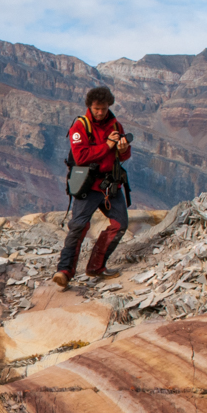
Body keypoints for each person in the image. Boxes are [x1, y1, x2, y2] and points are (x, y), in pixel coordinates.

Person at [52, 86, 132, 290]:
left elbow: (122, 157)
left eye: (104, 108)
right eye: (96, 108)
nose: (100, 112)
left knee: (120, 224)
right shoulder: (80, 126)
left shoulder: (116, 125)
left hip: (110, 185)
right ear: (90, 106)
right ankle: (64, 271)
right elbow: (81, 157)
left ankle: (96, 266)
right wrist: (107, 145)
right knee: (78, 226)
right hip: (88, 184)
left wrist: (123, 149)